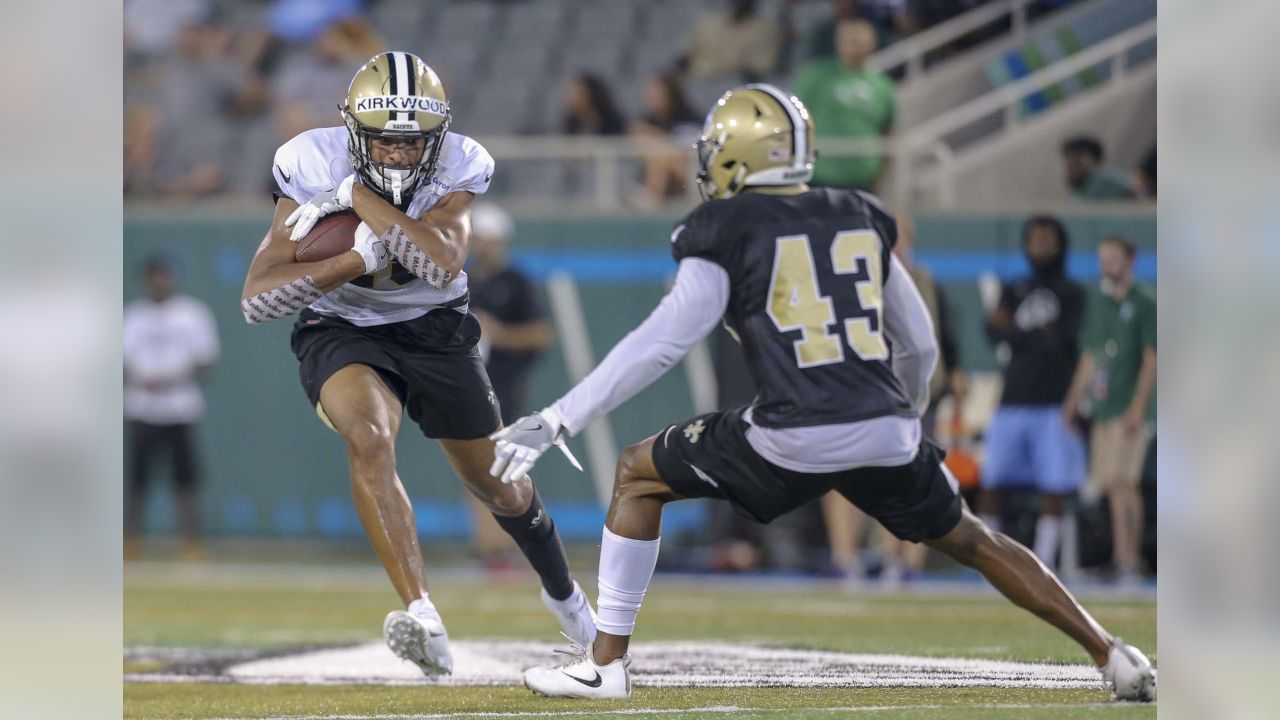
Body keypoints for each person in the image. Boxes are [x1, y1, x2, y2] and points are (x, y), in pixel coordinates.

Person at [489, 84, 1155, 702]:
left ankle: (605, 666)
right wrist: (908, 419)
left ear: (740, 157)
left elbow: (664, 342)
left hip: (793, 431)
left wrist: (559, 417)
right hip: (885, 428)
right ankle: (1112, 655)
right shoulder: (860, 212)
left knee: (637, 474)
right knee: (976, 541)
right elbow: (919, 345)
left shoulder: (725, 227)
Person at [239, 51, 595, 677]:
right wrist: (352, 261)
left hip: (436, 330)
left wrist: (355, 198)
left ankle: (563, 590)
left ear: (438, 136)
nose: (402, 153)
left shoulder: (460, 161)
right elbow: (257, 296)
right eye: (386, 140)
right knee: (369, 436)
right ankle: (423, 613)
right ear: (354, 132)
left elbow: (439, 262)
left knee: (499, 487)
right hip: (342, 325)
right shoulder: (308, 159)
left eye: (414, 141)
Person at [822, 212, 965, 586]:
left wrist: (950, 379)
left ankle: (901, 562)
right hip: (860, 394)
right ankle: (845, 559)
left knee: (908, 478)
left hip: (913, 397)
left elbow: (939, 338)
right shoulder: (851, 279)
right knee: (842, 477)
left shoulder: (924, 282)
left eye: (899, 237)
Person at [977, 216, 1087, 572]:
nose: (1038, 246)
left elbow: (1063, 342)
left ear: (1060, 244)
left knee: (1052, 488)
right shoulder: (1015, 287)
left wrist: (1022, 334)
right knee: (992, 483)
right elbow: (994, 329)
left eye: (1046, 239)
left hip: (1054, 402)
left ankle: (1043, 564)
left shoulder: (1073, 292)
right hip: (1012, 400)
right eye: (1033, 239)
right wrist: (1036, 334)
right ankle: (992, 562)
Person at [1062, 236, 1156, 586]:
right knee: (1111, 484)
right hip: (1103, 406)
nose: (1107, 266)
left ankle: (1128, 559)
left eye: (1113, 259)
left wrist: (1138, 407)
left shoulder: (1145, 302)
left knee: (1123, 483)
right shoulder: (1099, 301)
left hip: (1129, 407)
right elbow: (1090, 355)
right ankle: (1123, 559)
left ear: (1130, 260)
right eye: (1103, 259)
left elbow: (1152, 359)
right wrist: (1072, 401)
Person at [466, 202, 555, 570]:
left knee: (504, 466)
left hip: (507, 386)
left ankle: (505, 544)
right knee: (474, 465)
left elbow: (540, 334)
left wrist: (498, 333)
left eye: (488, 240)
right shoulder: (462, 280)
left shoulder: (516, 283)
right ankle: (489, 546)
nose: (482, 247)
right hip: (471, 386)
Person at [124, 255, 220, 560]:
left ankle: (191, 544)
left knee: (186, 480)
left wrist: (173, 377)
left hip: (181, 407)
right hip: (142, 407)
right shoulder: (133, 316)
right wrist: (142, 379)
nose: (159, 281)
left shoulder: (191, 314)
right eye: (153, 276)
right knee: (137, 479)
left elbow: (206, 359)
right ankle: (130, 542)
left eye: (163, 275)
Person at [794, 19, 896, 193]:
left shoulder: (882, 85)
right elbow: (795, 118)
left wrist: (882, 173)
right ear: (839, 44)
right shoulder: (814, 76)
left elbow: (887, 130)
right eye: (850, 42)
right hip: (819, 175)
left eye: (859, 42)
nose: (854, 48)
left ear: (872, 44)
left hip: (863, 177)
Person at [629, 72, 702, 204]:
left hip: (688, 174)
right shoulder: (646, 121)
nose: (652, 100)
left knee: (660, 154)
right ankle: (651, 199)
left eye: (657, 96)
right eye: (650, 96)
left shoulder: (689, 120)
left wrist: (657, 137)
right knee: (657, 156)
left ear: (670, 95)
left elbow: (688, 154)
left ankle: (650, 199)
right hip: (661, 176)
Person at [680, 0, 781, 81]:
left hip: (731, 82)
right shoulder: (709, 22)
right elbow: (685, 52)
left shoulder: (763, 30)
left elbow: (760, 68)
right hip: (696, 77)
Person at [1061, 136, 1139, 201]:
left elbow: (1135, 192)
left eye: (1076, 162)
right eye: (1068, 163)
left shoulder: (1107, 178)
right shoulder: (1077, 188)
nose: (1069, 167)